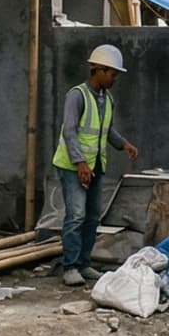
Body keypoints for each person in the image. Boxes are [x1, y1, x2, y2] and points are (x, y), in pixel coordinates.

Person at [51, 44, 139, 287]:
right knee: (76, 215)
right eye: (112, 73)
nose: (115, 78)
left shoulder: (107, 99)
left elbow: (105, 130)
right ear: (99, 70)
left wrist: (123, 145)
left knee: (92, 217)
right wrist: (80, 164)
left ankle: (83, 263)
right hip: (73, 166)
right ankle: (70, 267)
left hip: (95, 166)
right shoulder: (77, 95)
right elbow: (69, 132)